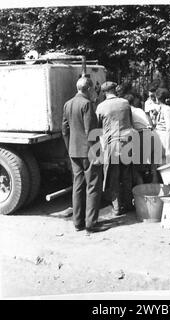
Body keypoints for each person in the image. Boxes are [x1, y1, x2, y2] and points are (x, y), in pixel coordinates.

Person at [62, 76, 106, 233]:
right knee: (93, 186)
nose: (93, 91)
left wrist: (69, 149)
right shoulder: (87, 104)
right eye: (92, 88)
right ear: (88, 89)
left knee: (78, 186)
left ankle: (77, 222)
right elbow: (91, 132)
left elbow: (64, 130)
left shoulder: (68, 104)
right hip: (88, 152)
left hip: (74, 151)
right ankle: (91, 224)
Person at [96, 81, 134, 216]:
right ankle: (129, 203)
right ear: (114, 90)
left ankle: (117, 207)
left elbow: (97, 127)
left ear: (104, 92)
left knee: (114, 176)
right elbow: (131, 122)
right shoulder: (125, 103)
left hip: (112, 144)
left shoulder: (101, 107)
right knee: (127, 175)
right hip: (127, 142)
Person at [124, 93, 153, 185]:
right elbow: (150, 123)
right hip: (149, 134)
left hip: (140, 135)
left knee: (137, 168)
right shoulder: (139, 110)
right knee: (148, 166)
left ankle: (141, 191)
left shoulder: (129, 112)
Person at [154, 88, 170, 166]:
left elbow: (169, 127)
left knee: (166, 161)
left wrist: (168, 144)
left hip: (165, 135)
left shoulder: (167, 109)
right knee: (159, 160)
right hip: (160, 135)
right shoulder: (160, 108)